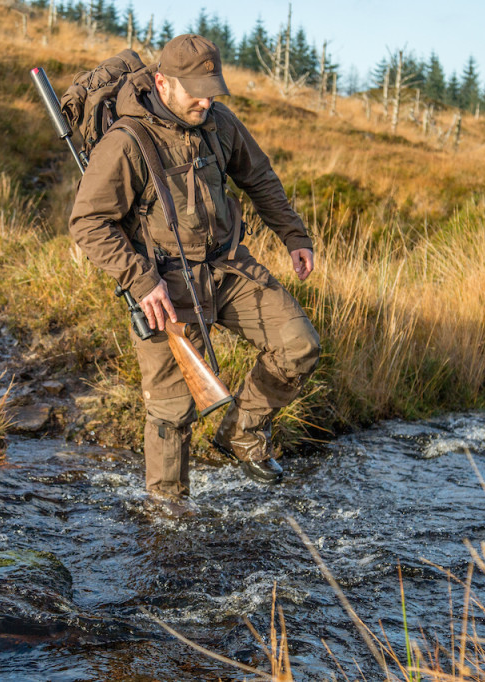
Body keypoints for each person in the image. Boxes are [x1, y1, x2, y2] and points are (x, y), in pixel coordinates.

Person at [69, 34, 320, 501]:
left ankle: (240, 432)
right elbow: (87, 223)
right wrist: (143, 282)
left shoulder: (218, 122)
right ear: (162, 82)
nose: (206, 100)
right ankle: (168, 524)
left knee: (299, 345)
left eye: (213, 89)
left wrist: (294, 235)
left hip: (228, 268)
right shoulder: (127, 142)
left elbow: (259, 177)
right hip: (165, 284)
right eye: (196, 90)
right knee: (172, 411)